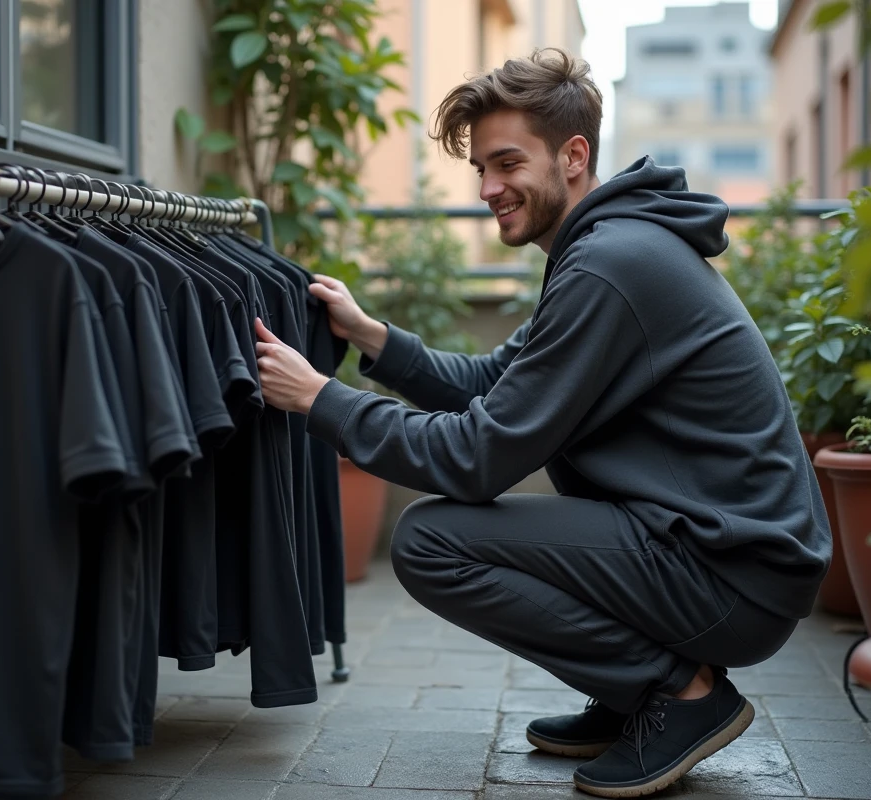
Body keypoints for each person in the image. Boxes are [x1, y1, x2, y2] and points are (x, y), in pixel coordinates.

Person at [252, 48, 830, 798]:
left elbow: (479, 457)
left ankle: (678, 693)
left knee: (429, 543)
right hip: (721, 551)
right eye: (480, 170)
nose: (489, 188)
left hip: (732, 574)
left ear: (574, 156)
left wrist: (321, 401)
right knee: (476, 526)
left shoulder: (607, 265)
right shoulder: (607, 249)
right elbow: (495, 383)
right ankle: (634, 693)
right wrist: (373, 339)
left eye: (506, 163)